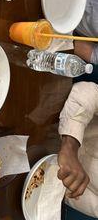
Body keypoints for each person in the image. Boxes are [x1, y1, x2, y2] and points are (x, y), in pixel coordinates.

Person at [58, 81, 98, 219]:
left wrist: (66, 178)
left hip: (35, 170)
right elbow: (89, 92)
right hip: (52, 109)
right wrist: (70, 144)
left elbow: (65, 195)